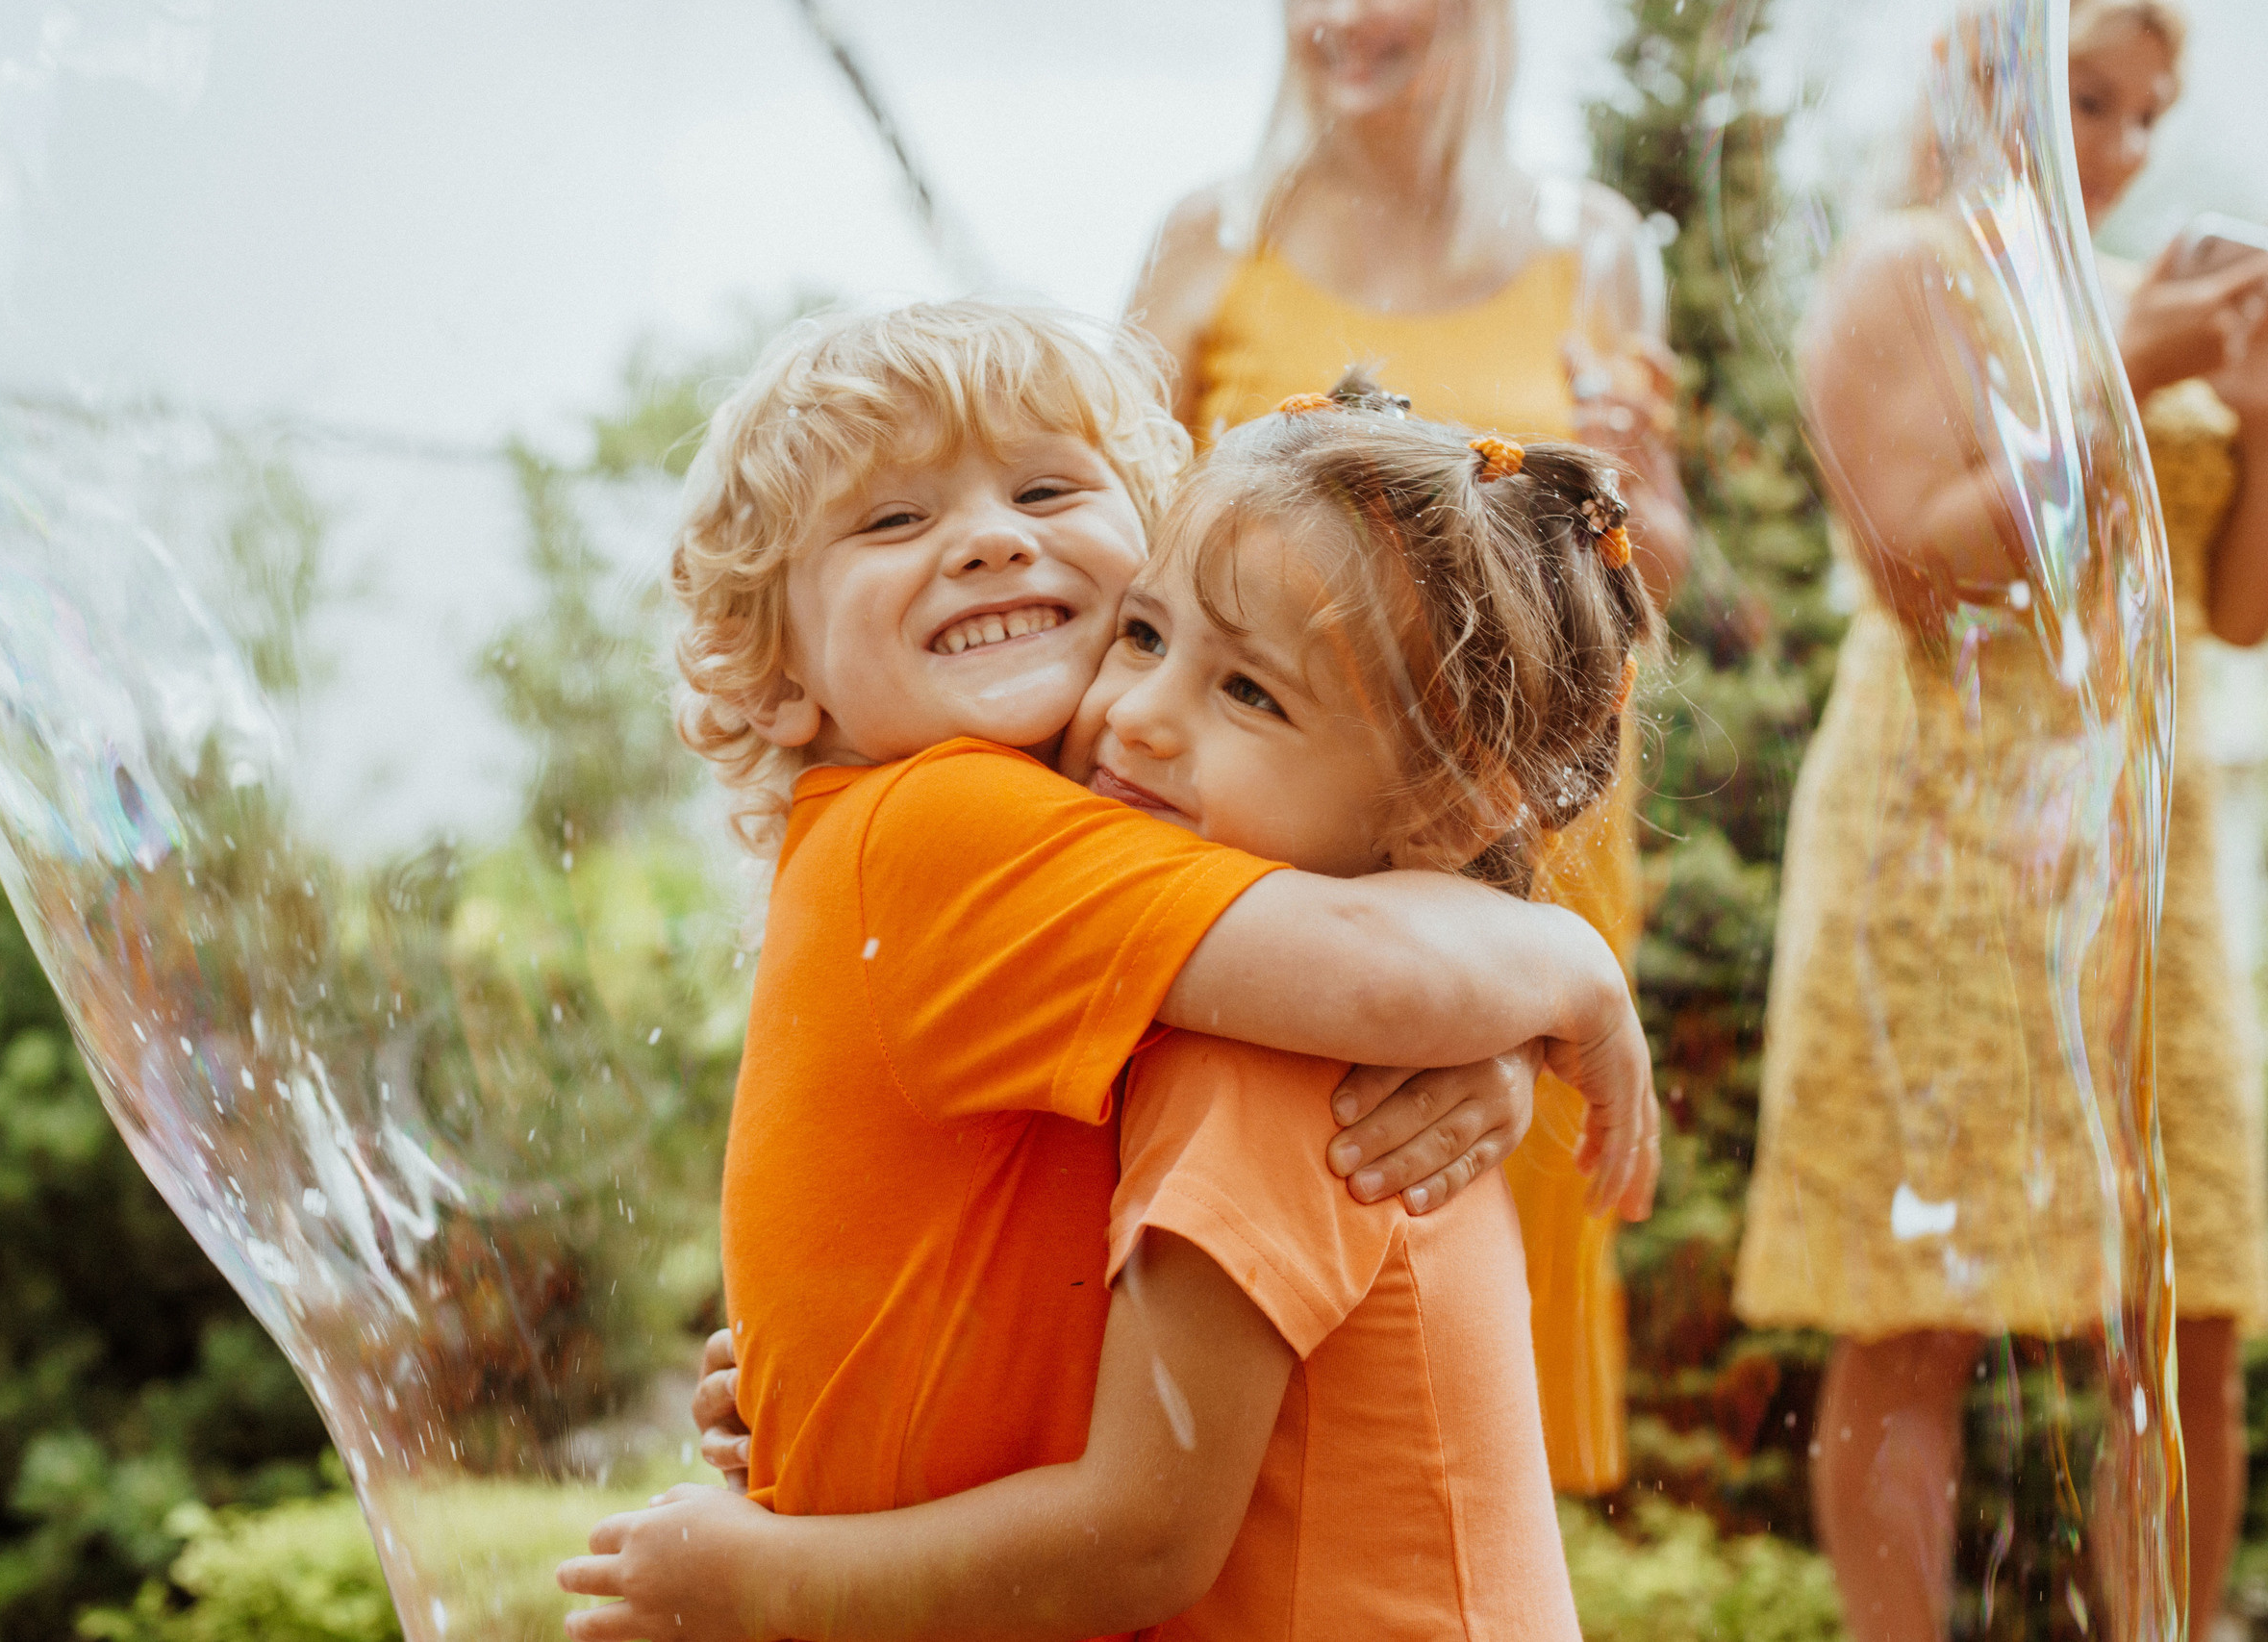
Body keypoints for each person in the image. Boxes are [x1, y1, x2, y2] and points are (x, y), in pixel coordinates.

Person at [560, 378, 1651, 1641]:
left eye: (1251, 692)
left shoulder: (1278, 1041)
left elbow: (1138, 1536)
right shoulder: (1228, 983)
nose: (1140, 717)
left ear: (1450, 807)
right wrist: (844, 1367)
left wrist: (759, 1588)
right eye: (1143, 638)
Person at [1733, 2, 2268, 1636]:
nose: (2103, 144)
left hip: (2136, 839)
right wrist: (2144, 368)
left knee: (2187, 1306)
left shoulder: (2138, 302)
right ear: (1976, 76)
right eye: (2077, 96)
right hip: (1946, 828)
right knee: (1918, 1299)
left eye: (2135, 115)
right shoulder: (1899, 272)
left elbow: (2235, 611)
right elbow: (1919, 568)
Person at [1125, 0, 1690, 1493]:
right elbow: (1117, 524)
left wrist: (1642, 491)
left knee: (1459, 1266)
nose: (1348, 18)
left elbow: (1647, 568)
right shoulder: (1208, 239)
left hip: (1524, 842)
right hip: (1252, 811)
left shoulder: (1598, 247)